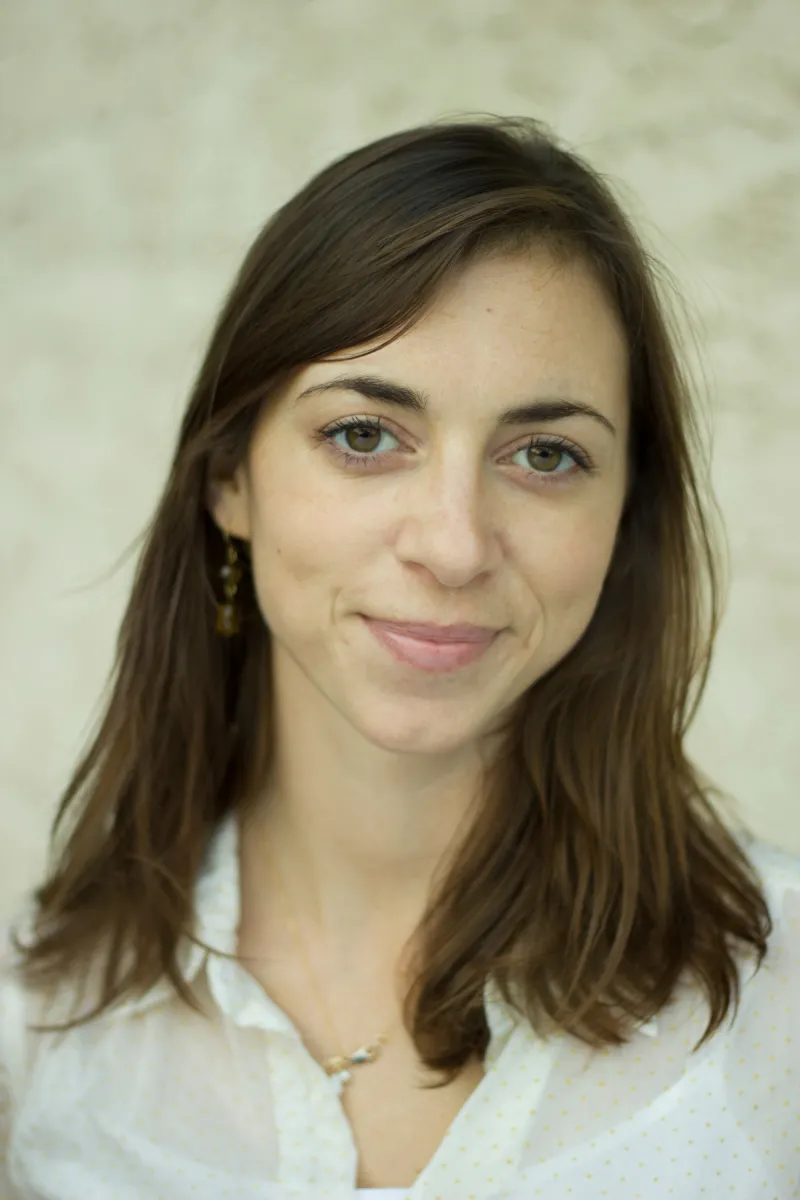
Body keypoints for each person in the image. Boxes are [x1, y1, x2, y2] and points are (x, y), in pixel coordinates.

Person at [1, 114, 798, 1200]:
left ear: (623, 524)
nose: (454, 543)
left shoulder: (777, 1008)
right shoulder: (45, 1032)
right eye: (364, 435)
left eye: (544, 454)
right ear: (228, 479)